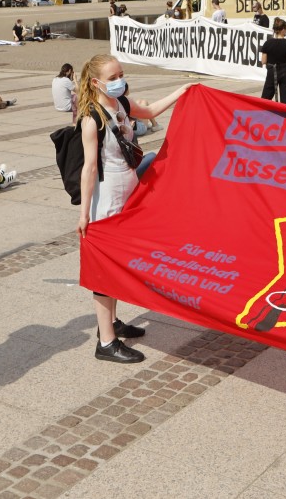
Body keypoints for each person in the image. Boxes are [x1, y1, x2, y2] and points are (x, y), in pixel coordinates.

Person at [76, 54, 193, 363]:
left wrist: (182, 92)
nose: (119, 81)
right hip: (108, 195)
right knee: (106, 268)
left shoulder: (122, 105)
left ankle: (111, 323)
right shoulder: (92, 118)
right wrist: (84, 214)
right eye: (113, 77)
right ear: (96, 83)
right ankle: (106, 342)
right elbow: (88, 169)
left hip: (128, 185)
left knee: (120, 261)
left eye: (121, 75)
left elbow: (151, 110)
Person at [259, 18, 286, 104]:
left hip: (272, 70)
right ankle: (284, 115)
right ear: (283, 29)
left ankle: (263, 113)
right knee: (285, 98)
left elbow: (263, 61)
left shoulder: (268, 43)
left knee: (266, 97)